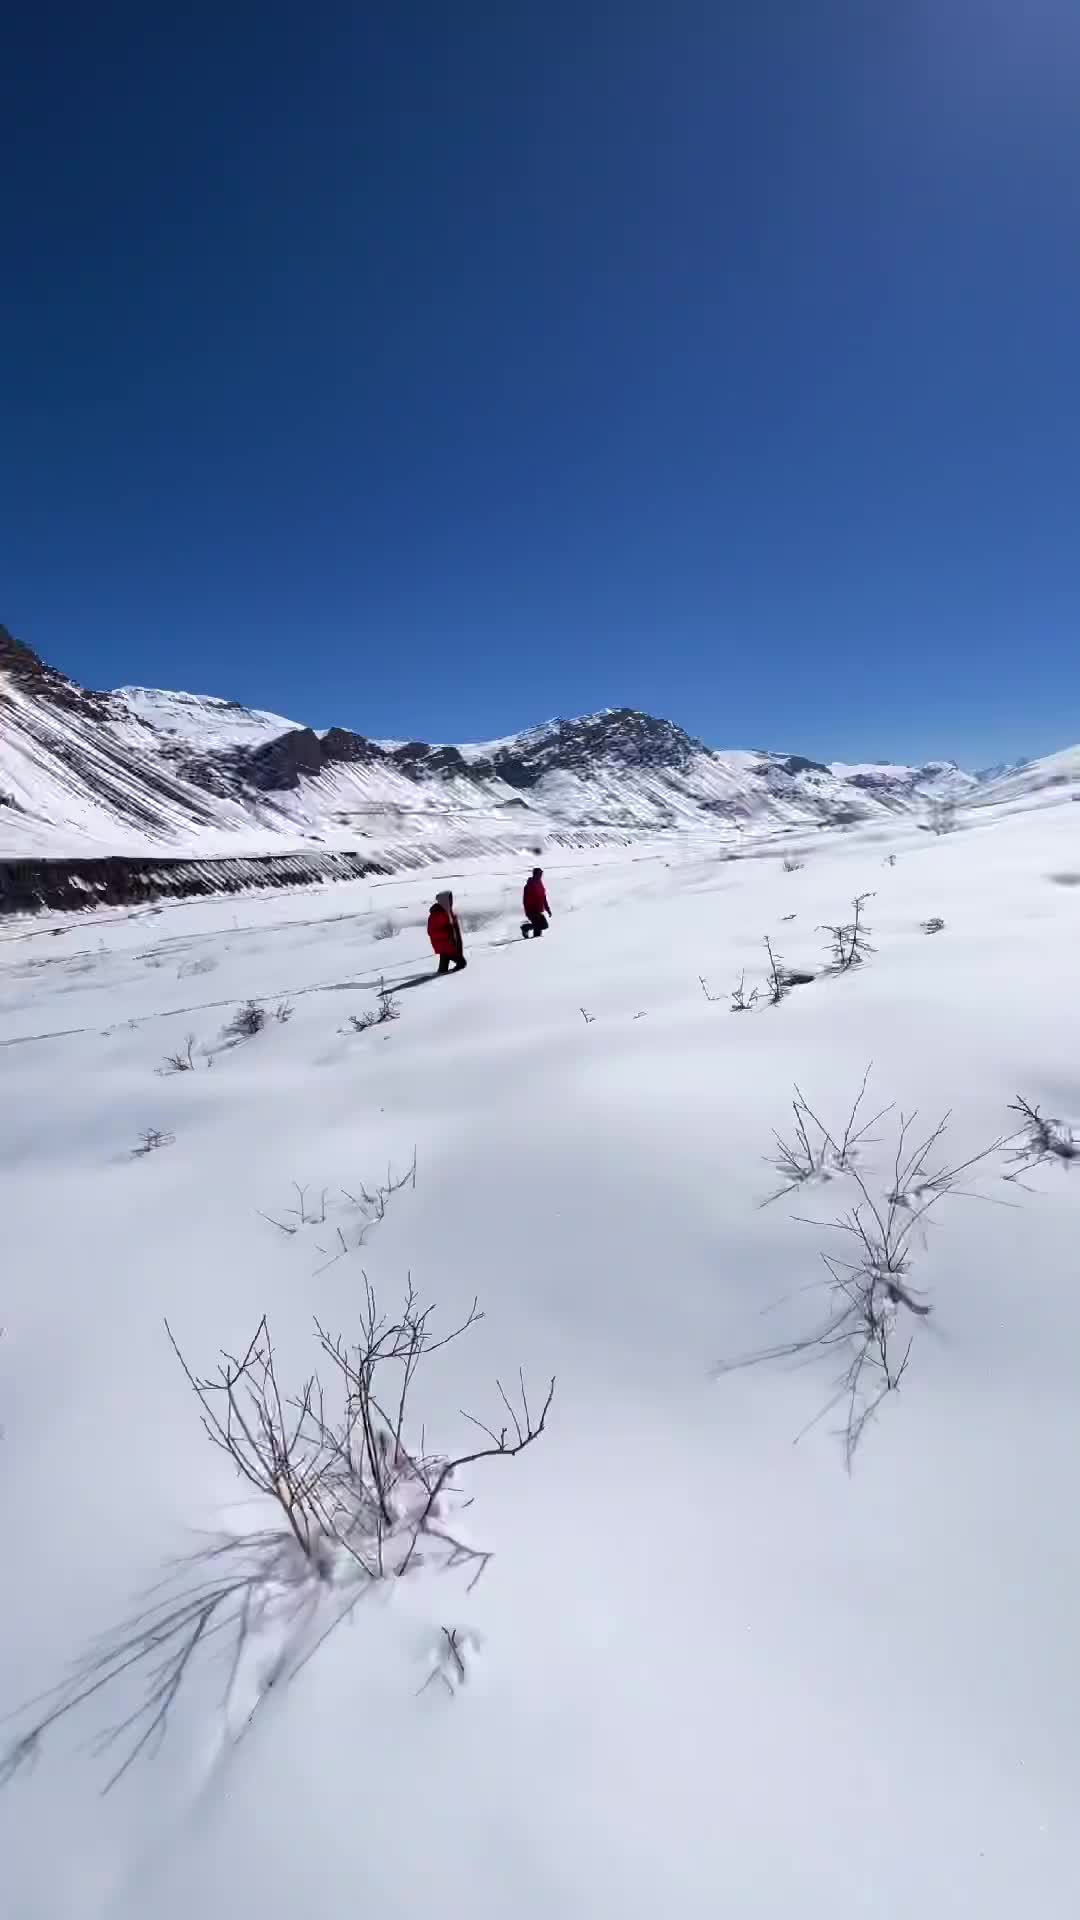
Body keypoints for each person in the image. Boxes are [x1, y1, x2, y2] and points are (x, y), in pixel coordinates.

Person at [427, 890, 467, 973]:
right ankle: (447, 979)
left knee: (443, 968)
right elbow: (431, 931)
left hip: (448, 944)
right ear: (445, 901)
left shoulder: (447, 911)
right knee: (461, 963)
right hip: (446, 945)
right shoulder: (437, 914)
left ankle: (441, 976)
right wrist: (447, 934)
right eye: (449, 899)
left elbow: (451, 925)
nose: (451, 901)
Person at [521, 867, 551, 939]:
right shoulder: (529, 885)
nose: (541, 876)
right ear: (535, 874)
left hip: (539, 910)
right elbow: (525, 900)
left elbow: (543, 898)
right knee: (542, 925)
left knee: (540, 928)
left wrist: (548, 909)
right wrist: (528, 911)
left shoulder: (540, 884)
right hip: (532, 910)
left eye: (541, 874)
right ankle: (525, 928)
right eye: (539, 874)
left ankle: (534, 941)